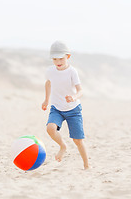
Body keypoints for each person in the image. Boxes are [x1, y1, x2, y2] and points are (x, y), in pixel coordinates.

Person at [41, 41, 89, 169]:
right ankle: (62, 146)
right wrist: (46, 100)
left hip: (73, 110)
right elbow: (48, 83)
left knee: (78, 141)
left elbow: (80, 91)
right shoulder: (50, 71)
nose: (58, 61)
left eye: (61, 58)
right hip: (57, 108)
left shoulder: (72, 72)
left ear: (68, 56)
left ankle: (86, 165)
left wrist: (73, 97)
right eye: (55, 59)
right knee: (50, 128)